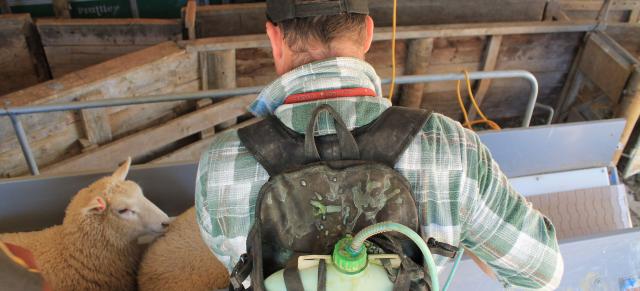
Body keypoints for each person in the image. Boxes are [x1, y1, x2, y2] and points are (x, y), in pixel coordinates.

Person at [195, 0, 564, 289]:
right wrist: (468, 233)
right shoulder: (451, 150)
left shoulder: (220, 164)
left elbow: (241, 269)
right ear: (368, 33)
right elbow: (541, 273)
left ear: (274, 39)